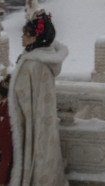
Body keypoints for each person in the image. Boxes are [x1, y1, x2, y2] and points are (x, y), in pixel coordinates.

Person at [7, 11, 67, 185]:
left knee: (37, 151)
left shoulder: (35, 65)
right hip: (37, 119)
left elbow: (23, 91)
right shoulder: (38, 60)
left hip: (34, 120)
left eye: (26, 33)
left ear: (35, 38)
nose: (22, 36)